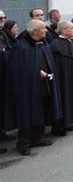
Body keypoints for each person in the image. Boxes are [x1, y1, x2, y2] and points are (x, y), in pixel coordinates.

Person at [7, 20, 62, 156]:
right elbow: (15, 70)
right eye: (43, 29)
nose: (46, 31)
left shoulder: (42, 44)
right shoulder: (21, 47)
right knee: (27, 114)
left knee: (41, 110)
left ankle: (38, 138)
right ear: (35, 32)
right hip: (27, 88)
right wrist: (35, 72)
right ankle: (24, 143)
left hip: (43, 85)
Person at [49, 21, 73, 136]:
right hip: (62, 78)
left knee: (70, 99)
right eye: (71, 28)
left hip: (70, 76)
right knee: (62, 100)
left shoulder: (69, 41)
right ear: (64, 30)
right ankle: (58, 126)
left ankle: (68, 122)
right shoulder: (56, 44)